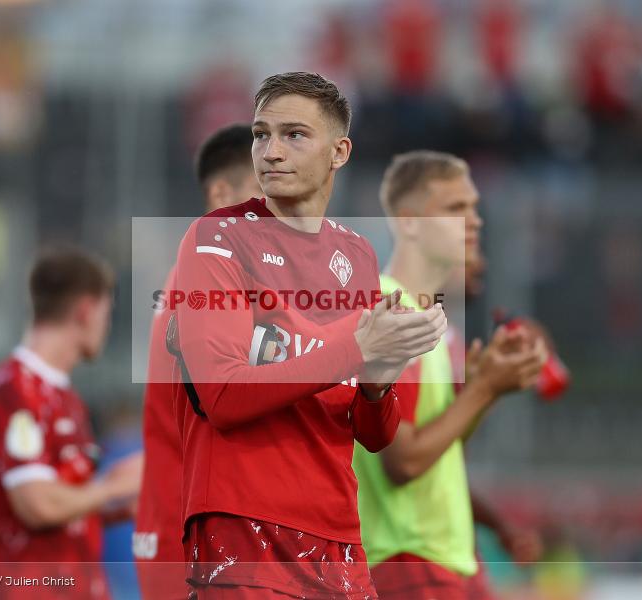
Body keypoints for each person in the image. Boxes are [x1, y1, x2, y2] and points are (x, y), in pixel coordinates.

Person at [172, 71, 447, 599]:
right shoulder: (217, 240)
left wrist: (378, 381)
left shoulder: (357, 255)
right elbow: (222, 395)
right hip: (243, 529)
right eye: (261, 135)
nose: (271, 152)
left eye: (294, 135)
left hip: (338, 537)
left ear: (339, 152)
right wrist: (356, 348)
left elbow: (374, 434)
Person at [354, 150, 547, 599]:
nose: (474, 220)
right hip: (409, 557)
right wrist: (483, 390)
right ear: (409, 222)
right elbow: (403, 462)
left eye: (474, 207)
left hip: (443, 556)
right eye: (456, 207)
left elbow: (440, 449)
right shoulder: (391, 308)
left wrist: (485, 389)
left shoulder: (429, 319)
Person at [0, 246, 143, 599]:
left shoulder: (65, 397)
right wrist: (112, 487)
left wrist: (120, 507)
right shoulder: (14, 388)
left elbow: (61, 510)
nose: (107, 326)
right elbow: (36, 504)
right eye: (107, 312)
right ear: (85, 311)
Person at [133, 123, 262, 599]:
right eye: (264, 194)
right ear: (221, 194)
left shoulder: (188, 277)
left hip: (181, 527)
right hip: (192, 539)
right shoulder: (211, 282)